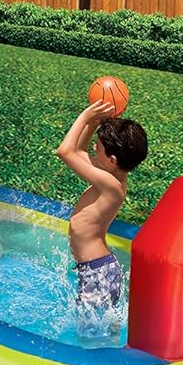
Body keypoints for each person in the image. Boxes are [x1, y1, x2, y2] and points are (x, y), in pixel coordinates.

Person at [55, 101, 149, 312]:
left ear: (112, 160)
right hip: (96, 269)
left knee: (90, 328)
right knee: (95, 324)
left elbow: (65, 151)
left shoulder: (111, 185)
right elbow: (78, 150)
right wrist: (93, 125)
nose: (94, 148)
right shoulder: (110, 175)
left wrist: (85, 116)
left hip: (97, 272)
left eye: (98, 147)